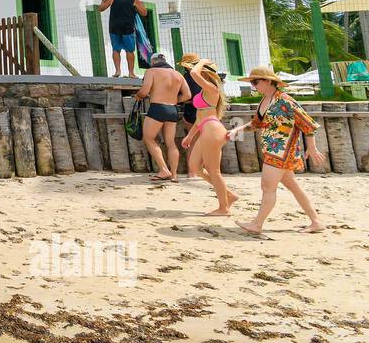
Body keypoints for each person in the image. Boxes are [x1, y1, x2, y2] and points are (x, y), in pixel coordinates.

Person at [231, 67, 327, 235]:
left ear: (268, 81)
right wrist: (237, 130)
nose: (254, 86)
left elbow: (308, 124)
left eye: (256, 82)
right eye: (252, 82)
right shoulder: (265, 100)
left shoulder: (284, 100)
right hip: (274, 149)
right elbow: (256, 124)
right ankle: (316, 221)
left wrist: (311, 147)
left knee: (267, 186)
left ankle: (257, 224)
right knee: (293, 186)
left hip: (282, 150)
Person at [179, 59, 237, 216]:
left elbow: (193, 73)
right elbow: (199, 117)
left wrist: (202, 62)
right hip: (206, 129)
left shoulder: (212, 88)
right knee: (195, 167)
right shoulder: (204, 91)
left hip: (212, 131)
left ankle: (224, 208)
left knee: (214, 171)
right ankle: (229, 195)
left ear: (205, 73)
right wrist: (190, 136)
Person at [134, 53, 190, 181]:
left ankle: (164, 170)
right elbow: (187, 95)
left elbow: (144, 91)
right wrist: (174, 100)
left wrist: (138, 96)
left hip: (158, 108)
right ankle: (174, 175)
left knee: (148, 138)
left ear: (153, 61)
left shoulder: (151, 71)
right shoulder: (178, 74)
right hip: (172, 109)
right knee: (171, 143)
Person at [98, 0, 148, 77]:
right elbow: (144, 13)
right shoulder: (134, 0)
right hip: (128, 29)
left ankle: (117, 71)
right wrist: (140, 6)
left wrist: (103, 2)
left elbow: (101, 8)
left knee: (116, 49)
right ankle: (131, 73)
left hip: (114, 27)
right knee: (129, 51)